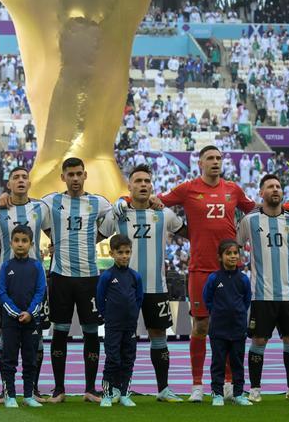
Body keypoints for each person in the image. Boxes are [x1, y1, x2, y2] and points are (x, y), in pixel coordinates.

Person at [151, 145, 257, 402]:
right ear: (200, 163)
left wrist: (285, 208)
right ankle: (197, 385)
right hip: (199, 268)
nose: (215, 162)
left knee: (232, 326)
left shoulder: (233, 189)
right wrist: (126, 200)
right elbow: (157, 201)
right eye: (210, 158)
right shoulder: (188, 189)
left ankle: (230, 385)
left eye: (219, 158)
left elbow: (255, 209)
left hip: (231, 269)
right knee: (200, 326)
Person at [100, 164, 183, 402]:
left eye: (147, 181)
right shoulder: (119, 213)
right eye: (138, 181)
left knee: (159, 336)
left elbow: (189, 231)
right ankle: (118, 390)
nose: (143, 184)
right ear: (130, 186)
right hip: (123, 290)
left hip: (156, 288)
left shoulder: (164, 214)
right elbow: (96, 235)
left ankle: (163, 389)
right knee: (122, 340)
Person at [236, 174, 289, 402]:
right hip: (261, 293)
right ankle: (255, 389)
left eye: (279, 186)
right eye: (270, 186)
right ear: (261, 193)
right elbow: (236, 246)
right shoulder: (249, 221)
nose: (275, 190)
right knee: (259, 340)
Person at [40, 157, 111, 403]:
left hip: (89, 278)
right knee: (59, 332)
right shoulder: (51, 202)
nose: (75, 179)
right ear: (63, 177)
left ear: (85, 175)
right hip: (60, 277)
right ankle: (59, 389)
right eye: (70, 174)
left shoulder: (98, 203)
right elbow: (30, 211)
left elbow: (117, 216)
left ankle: (90, 389)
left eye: (79, 174)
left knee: (91, 333)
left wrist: (96, 237)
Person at [0, 166, 52, 398]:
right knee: (7, 339)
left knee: (37, 339)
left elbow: (53, 232)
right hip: (9, 282)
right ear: (9, 184)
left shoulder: (41, 207)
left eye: (25, 177)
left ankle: (32, 388)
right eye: (16, 177)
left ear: (30, 183)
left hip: (35, 281)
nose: (21, 180)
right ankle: (7, 390)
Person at [0, 225, 46, 409]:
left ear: (31, 244)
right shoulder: (6, 266)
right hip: (11, 321)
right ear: (11, 243)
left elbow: (40, 291)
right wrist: (15, 313)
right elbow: (1, 292)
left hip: (31, 321)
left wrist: (30, 313)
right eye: (16, 240)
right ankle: (10, 395)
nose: (20, 244)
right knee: (9, 359)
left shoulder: (36, 266)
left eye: (24, 241)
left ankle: (28, 395)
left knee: (30, 359)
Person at [202, 239, 251, 407]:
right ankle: (217, 394)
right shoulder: (214, 278)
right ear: (220, 257)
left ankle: (238, 394)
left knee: (237, 362)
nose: (232, 256)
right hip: (218, 329)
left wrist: (237, 314)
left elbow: (246, 301)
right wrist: (218, 312)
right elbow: (207, 300)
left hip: (238, 328)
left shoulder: (244, 279)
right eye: (228, 253)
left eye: (235, 253)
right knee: (218, 362)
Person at [96, 234, 144, 407]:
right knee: (113, 359)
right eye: (120, 252)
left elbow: (139, 299)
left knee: (128, 358)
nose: (124, 256)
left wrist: (133, 314)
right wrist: (107, 316)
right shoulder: (107, 276)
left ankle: (124, 393)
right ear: (112, 253)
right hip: (113, 325)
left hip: (130, 325)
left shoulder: (135, 276)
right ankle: (107, 394)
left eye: (127, 252)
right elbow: (100, 299)